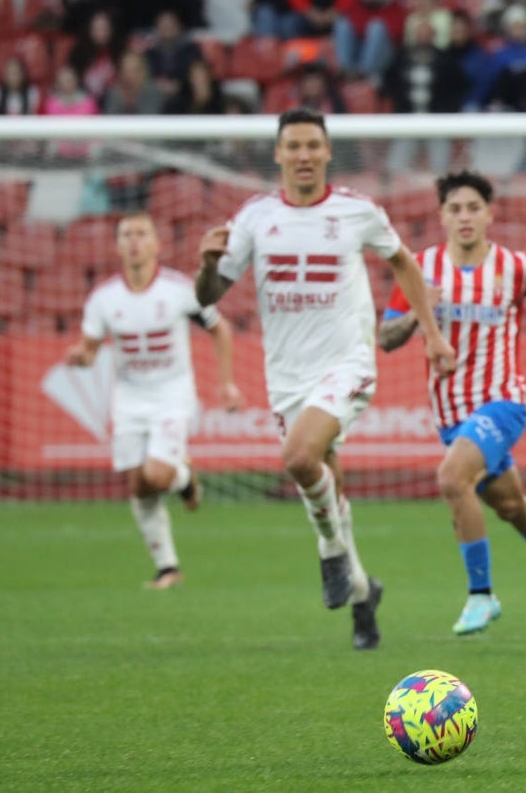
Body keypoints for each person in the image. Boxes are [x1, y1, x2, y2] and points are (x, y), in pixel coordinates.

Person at [193, 107, 455, 650]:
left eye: (314, 145)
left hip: (348, 364)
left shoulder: (357, 211)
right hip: (286, 375)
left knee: (298, 458)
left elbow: (404, 263)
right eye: (294, 146)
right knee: (324, 476)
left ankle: (332, 555)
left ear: (328, 151)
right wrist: (205, 265)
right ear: (278, 154)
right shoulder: (255, 217)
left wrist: (430, 333)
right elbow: (208, 297)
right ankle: (363, 593)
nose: (304, 155)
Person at [378, 171, 526, 635]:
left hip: (503, 401)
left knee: (452, 478)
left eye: (474, 207)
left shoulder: (516, 266)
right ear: (441, 217)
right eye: (455, 209)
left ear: (491, 214)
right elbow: (386, 338)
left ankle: (481, 595)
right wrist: (416, 313)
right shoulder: (419, 268)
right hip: (451, 413)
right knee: (510, 506)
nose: (465, 217)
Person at [65, 213, 244, 588]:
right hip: (129, 397)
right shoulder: (103, 298)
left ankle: (181, 476)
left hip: (172, 395)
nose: (133, 241)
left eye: (142, 233)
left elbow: (220, 328)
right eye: (126, 235)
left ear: (156, 244)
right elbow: (90, 349)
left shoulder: (179, 289)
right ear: (117, 246)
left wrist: (226, 384)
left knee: (157, 474)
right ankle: (167, 567)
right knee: (140, 486)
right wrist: (79, 357)